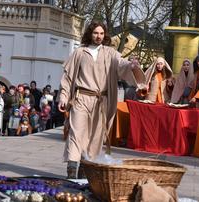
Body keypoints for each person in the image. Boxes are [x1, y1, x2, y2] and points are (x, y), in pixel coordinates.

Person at [58, 20, 145, 179]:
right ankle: (71, 170)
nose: (98, 36)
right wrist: (63, 97)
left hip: (102, 101)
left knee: (95, 137)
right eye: (95, 33)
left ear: (105, 35)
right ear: (90, 34)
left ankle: (85, 171)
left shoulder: (111, 53)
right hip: (81, 98)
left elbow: (122, 65)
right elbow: (68, 78)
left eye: (101, 33)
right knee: (76, 133)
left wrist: (132, 66)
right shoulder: (80, 52)